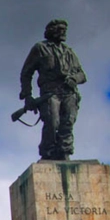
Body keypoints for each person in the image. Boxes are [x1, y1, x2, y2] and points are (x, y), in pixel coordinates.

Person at [20, 19, 86, 160]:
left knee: (68, 122)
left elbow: (82, 75)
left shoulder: (69, 52)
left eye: (64, 30)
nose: (63, 33)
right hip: (50, 93)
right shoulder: (40, 48)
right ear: (51, 31)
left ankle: (64, 152)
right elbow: (26, 73)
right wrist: (27, 95)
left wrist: (74, 79)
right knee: (52, 121)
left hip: (69, 92)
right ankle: (48, 152)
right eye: (60, 29)